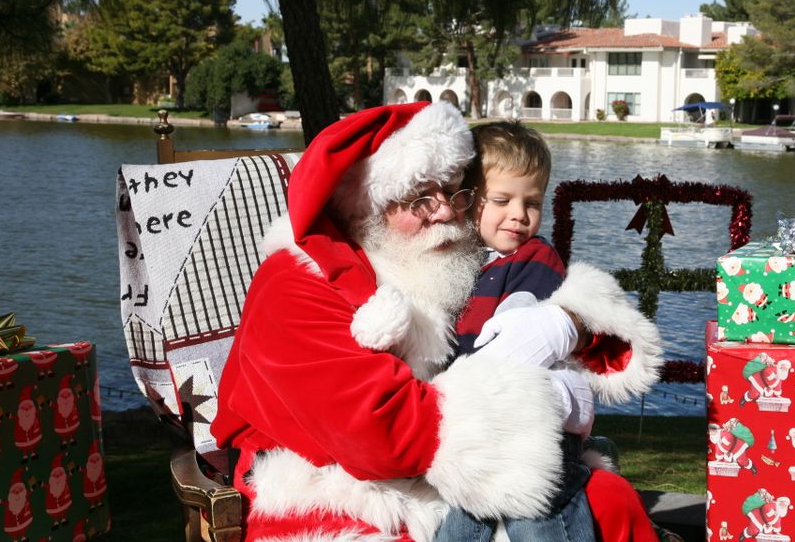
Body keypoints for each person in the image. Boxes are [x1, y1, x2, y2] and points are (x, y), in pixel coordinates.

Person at [211, 102, 664, 542]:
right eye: (420, 199)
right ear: (366, 206)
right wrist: (541, 396)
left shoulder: (444, 261)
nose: (446, 211)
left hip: (431, 478)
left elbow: (591, 338)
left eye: (453, 192)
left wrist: (570, 321)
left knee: (610, 498)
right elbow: (382, 430)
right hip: (335, 493)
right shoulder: (297, 282)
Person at [352, 121, 661, 541]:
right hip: (479, 426)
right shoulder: (460, 260)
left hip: (532, 423)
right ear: (470, 200)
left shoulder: (535, 258)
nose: (519, 214)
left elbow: (520, 337)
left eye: (532, 202)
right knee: (460, 526)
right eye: (502, 200)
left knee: (537, 516)